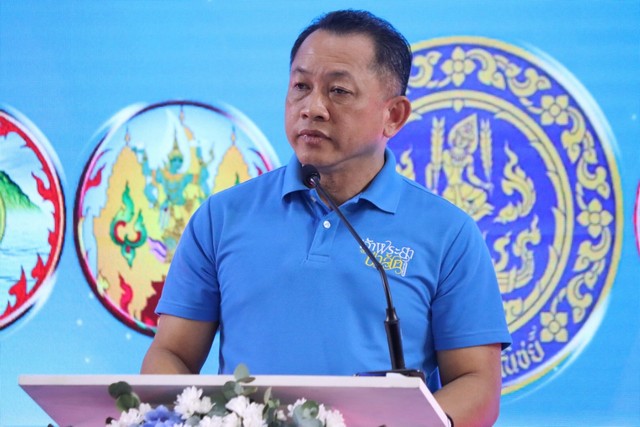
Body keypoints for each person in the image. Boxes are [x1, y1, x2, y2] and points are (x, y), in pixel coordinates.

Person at [142, 9, 511, 427]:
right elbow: (171, 353)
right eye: (301, 86)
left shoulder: (448, 233)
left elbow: (477, 385)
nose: (312, 108)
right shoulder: (222, 217)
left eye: (338, 91)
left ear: (393, 115)